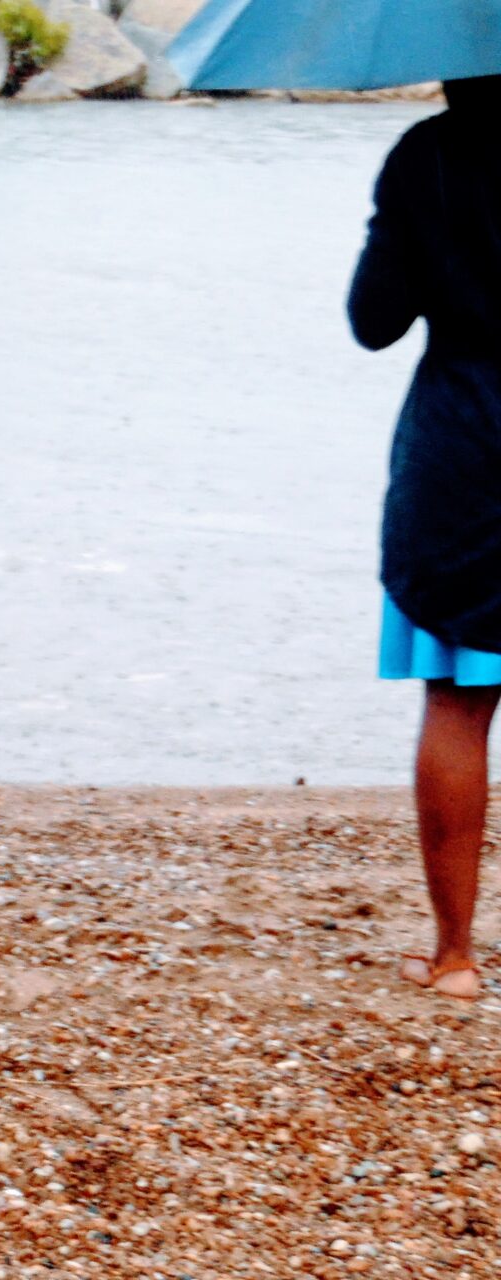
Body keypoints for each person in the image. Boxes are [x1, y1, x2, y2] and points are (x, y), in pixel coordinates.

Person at [351, 76, 501, 1000]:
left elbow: (375, 322)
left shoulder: (427, 155)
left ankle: (454, 958)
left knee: (457, 700)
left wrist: (405, 229)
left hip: (466, 445)